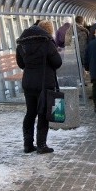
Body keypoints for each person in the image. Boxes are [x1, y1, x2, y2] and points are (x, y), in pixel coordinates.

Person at [15, 20, 63, 154]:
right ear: (48, 31)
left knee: (30, 112)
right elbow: (57, 62)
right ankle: (41, 145)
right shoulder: (47, 42)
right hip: (44, 83)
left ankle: (28, 145)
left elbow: (21, 64)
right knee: (43, 113)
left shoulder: (22, 43)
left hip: (28, 82)